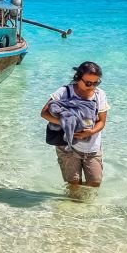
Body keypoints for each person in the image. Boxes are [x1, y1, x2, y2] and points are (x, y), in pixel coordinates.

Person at [41, 61, 109, 198]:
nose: (92, 87)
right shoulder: (64, 92)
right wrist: (67, 122)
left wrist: (91, 132)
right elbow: (44, 113)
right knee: (73, 183)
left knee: (95, 182)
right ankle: (73, 210)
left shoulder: (99, 95)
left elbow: (102, 121)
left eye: (96, 83)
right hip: (67, 147)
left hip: (92, 147)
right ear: (78, 78)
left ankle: (86, 208)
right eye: (88, 83)